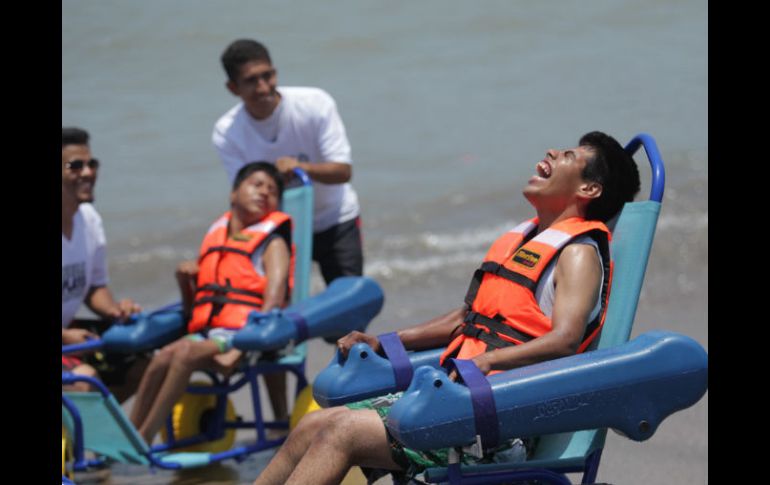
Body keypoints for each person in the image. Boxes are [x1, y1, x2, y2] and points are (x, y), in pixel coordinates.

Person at [252, 131, 641, 485]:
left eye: (569, 155)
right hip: (459, 400)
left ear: (589, 187)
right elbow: (467, 320)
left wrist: (489, 363)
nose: (552, 151)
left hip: (503, 417)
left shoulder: (577, 254)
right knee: (313, 425)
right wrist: (387, 342)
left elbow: (566, 340)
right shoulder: (525, 242)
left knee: (340, 433)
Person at [129, 161, 294, 444]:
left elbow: (274, 302)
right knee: (162, 356)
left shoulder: (273, 243)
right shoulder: (216, 237)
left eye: (272, 190)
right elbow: (195, 312)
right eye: (256, 185)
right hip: (209, 332)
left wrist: (242, 345)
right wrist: (185, 282)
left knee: (183, 353)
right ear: (233, 194)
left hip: (247, 337)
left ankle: (144, 439)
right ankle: (128, 433)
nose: (264, 192)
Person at [212, 38, 363, 286]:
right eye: (251, 81)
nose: (263, 87)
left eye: (267, 76)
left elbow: (343, 172)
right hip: (280, 231)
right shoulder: (226, 132)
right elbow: (244, 201)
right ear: (233, 88)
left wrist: (301, 168)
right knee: (282, 309)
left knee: (351, 304)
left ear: (275, 72)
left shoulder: (315, 104)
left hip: (335, 218)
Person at [62, 127, 146, 399]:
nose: (87, 173)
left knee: (144, 364)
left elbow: (94, 287)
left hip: (72, 335)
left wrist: (114, 310)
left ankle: (117, 438)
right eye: (75, 166)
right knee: (84, 381)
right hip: (66, 338)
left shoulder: (89, 219)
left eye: (91, 164)